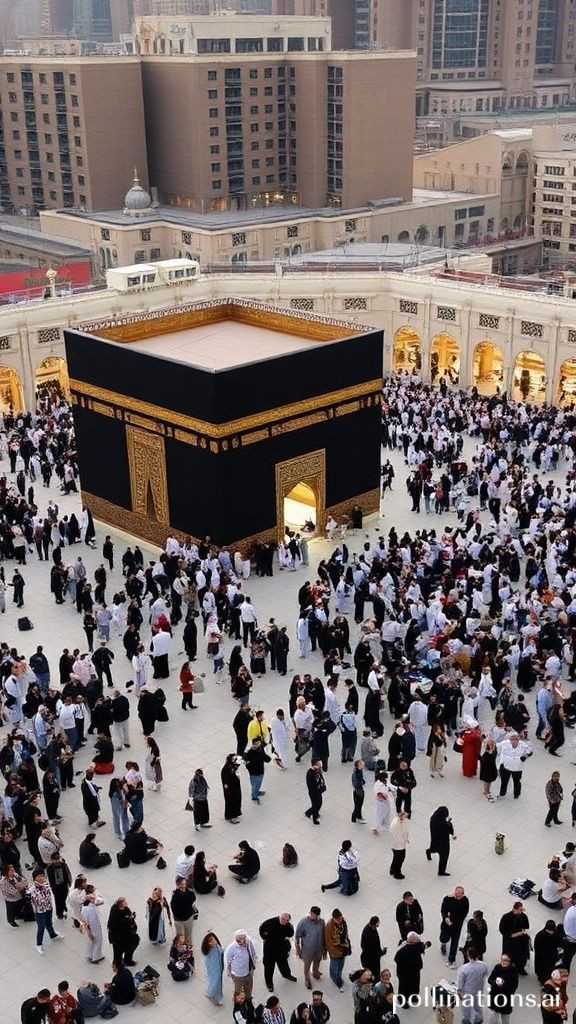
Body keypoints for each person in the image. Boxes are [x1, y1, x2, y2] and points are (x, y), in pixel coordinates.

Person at [259, 913, 297, 991]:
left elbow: (291, 933)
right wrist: (266, 938)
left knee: (284, 964)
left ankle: (286, 975)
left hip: (281, 949)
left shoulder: (288, 926)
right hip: (269, 950)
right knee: (269, 968)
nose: (283, 921)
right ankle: (269, 984)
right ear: (279, 917)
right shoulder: (269, 922)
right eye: (282, 919)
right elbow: (261, 929)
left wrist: (286, 938)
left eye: (286, 920)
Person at [29, 867, 62, 955]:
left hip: (48, 908)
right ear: (34, 878)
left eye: (42, 876)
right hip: (39, 911)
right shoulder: (31, 890)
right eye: (39, 876)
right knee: (41, 927)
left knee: (49, 923)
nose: (41, 878)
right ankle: (39, 944)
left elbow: (49, 896)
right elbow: (35, 900)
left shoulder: (46, 885)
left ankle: (53, 935)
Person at [295, 907, 326, 990]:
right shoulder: (303, 923)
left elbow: (323, 934)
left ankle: (315, 972)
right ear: (310, 912)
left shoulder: (321, 922)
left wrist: (324, 948)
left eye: (315, 915)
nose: (313, 916)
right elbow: (297, 936)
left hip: (319, 947)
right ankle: (307, 978)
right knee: (307, 964)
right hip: (308, 949)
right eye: (312, 914)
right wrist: (298, 948)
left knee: (317, 961)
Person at [394, 932, 430, 1002]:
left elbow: (396, 959)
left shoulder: (402, 951)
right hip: (414, 971)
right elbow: (424, 945)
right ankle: (412, 998)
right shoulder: (419, 946)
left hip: (404, 972)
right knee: (414, 985)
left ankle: (403, 1000)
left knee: (404, 987)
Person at [456, 946, 489, 1024]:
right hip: (479, 989)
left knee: (467, 1007)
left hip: (467, 991)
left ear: (468, 956)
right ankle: (479, 1019)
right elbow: (486, 973)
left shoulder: (464, 968)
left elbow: (460, 982)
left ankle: (469, 1020)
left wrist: (459, 992)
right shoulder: (484, 965)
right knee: (477, 1005)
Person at [440, 886, 470, 968]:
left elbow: (464, 914)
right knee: (444, 938)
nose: (458, 895)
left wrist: (455, 922)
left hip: (457, 926)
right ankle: (443, 943)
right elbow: (443, 910)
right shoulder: (448, 898)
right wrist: (446, 918)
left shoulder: (465, 901)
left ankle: (451, 959)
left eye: (461, 894)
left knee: (454, 943)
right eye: (457, 893)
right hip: (446, 924)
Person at [499, 902, 531, 975]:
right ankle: (507, 969)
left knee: (522, 956)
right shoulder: (506, 917)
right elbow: (502, 930)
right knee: (508, 956)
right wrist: (515, 934)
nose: (520, 912)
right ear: (514, 909)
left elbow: (526, 927)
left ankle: (520, 968)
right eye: (519, 910)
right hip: (510, 942)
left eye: (521, 910)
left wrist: (524, 932)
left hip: (521, 941)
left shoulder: (523, 917)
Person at [225, 929, 258, 998]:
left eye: (243, 938)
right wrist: (229, 970)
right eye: (239, 939)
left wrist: (254, 960)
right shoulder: (232, 948)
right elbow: (229, 960)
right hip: (237, 974)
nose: (241, 941)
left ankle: (248, 998)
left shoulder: (248, 942)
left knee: (248, 987)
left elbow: (253, 952)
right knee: (238, 990)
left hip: (248, 972)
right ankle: (238, 1001)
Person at [106, 897, 139, 966]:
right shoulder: (114, 912)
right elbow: (115, 925)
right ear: (120, 904)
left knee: (131, 947)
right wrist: (127, 920)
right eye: (124, 902)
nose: (126, 903)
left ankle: (127, 961)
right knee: (118, 952)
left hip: (128, 935)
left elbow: (129, 917)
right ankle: (117, 964)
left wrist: (132, 917)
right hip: (118, 937)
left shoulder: (126, 909)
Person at [487, 954, 519, 1024]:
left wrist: (504, 985)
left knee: (505, 1018)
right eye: (503, 960)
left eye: (507, 961)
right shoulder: (497, 967)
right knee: (493, 1017)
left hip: (506, 998)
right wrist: (495, 982)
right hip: (495, 996)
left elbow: (514, 985)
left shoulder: (513, 970)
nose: (505, 962)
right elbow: (490, 979)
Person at [324, 908, 350, 991]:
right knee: (335, 966)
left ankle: (339, 976)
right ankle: (335, 979)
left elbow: (345, 933)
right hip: (335, 951)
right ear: (333, 918)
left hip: (343, 949)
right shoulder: (329, 926)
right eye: (337, 919)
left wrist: (346, 942)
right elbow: (328, 941)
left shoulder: (343, 922)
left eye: (340, 918)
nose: (339, 920)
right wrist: (340, 944)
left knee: (341, 965)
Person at [426, 805, 455, 876]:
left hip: (435, 840)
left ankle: (428, 852)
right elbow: (451, 831)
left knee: (433, 849)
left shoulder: (433, 818)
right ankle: (441, 871)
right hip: (443, 843)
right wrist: (449, 823)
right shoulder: (444, 823)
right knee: (444, 856)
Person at [201, 931, 225, 1006]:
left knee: (215, 983)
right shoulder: (210, 951)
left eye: (212, 939)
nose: (212, 942)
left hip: (219, 968)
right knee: (215, 983)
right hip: (215, 970)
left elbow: (221, 952)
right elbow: (209, 963)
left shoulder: (217, 946)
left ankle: (211, 994)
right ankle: (211, 995)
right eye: (210, 941)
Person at [81, 890, 104, 964]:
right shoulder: (88, 909)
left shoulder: (88, 907)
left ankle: (90, 956)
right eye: (93, 899)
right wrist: (89, 932)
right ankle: (95, 958)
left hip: (95, 926)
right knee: (98, 942)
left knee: (92, 943)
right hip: (93, 928)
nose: (95, 900)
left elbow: (101, 901)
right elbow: (85, 922)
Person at [221, 754, 242, 823]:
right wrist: (226, 784)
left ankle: (236, 813)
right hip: (230, 788)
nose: (235, 760)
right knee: (230, 802)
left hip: (235, 786)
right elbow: (225, 778)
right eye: (233, 759)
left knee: (237, 799)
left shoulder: (234, 765)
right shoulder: (226, 768)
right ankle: (229, 816)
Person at [389, 810, 410, 880]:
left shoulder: (399, 821)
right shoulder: (396, 824)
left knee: (396, 858)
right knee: (400, 859)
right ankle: (397, 873)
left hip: (398, 844)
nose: (405, 818)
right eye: (404, 817)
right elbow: (397, 835)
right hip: (398, 845)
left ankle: (392, 870)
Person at [305, 759, 326, 825]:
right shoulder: (310, 773)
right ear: (314, 765)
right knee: (316, 805)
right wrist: (318, 789)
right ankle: (314, 818)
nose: (320, 766)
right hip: (314, 793)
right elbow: (311, 786)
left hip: (318, 791)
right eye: (318, 764)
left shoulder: (318, 770)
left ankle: (309, 812)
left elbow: (321, 778)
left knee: (319, 803)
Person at [479, 738, 498, 802]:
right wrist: (487, 753)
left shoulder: (494, 749)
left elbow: (494, 757)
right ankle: (487, 792)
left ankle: (487, 791)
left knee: (489, 781)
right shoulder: (485, 750)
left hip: (491, 767)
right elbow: (481, 758)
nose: (490, 744)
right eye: (489, 743)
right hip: (486, 768)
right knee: (486, 780)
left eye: (491, 743)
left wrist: (491, 751)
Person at [351, 759, 366, 824]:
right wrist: (362, 782)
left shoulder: (356, 771)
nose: (364, 765)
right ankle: (357, 817)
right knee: (358, 805)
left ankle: (356, 817)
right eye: (362, 764)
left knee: (357, 805)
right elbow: (358, 782)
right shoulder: (358, 773)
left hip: (356, 791)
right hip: (359, 791)